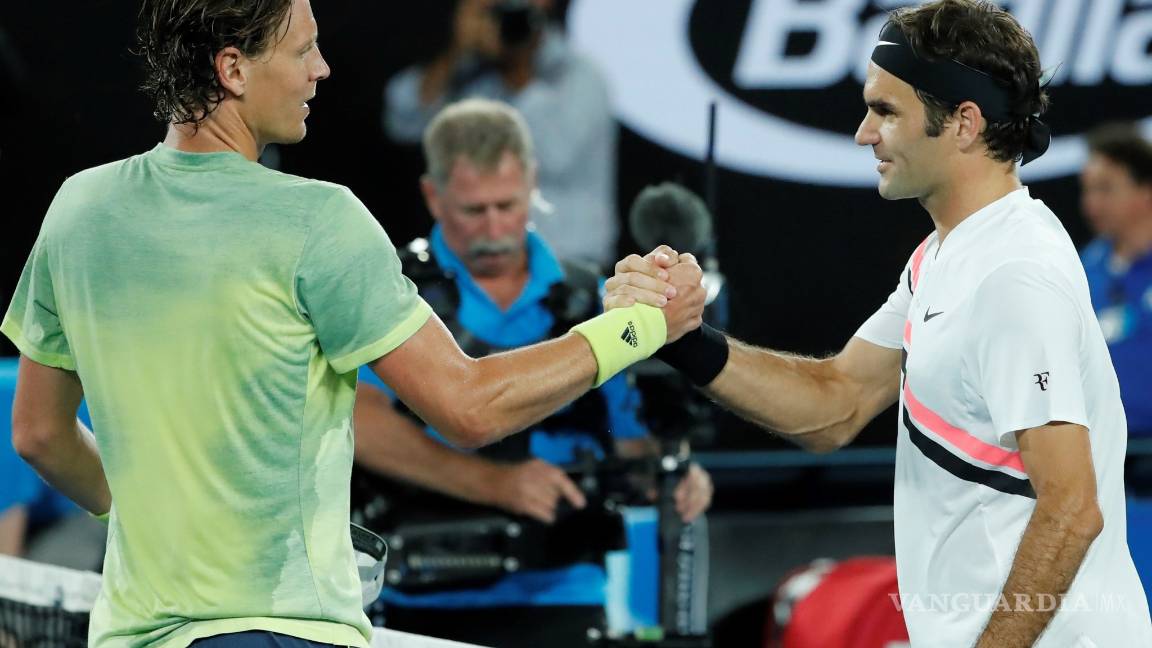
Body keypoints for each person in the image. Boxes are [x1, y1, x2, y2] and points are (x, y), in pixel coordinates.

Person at [0, 1, 704, 647]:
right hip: (277, 634)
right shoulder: (317, 219)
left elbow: (38, 434)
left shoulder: (79, 210)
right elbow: (468, 407)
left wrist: (150, 526)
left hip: (127, 632)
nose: (321, 69)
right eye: (303, 50)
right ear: (233, 68)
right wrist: (636, 328)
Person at [607, 1, 1152, 646]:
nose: (865, 133)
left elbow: (1070, 509)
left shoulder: (1013, 276)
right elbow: (835, 401)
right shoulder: (947, 255)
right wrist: (685, 340)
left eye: (886, 111)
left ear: (964, 123)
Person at [350, 98, 713, 648]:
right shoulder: (392, 290)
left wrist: (674, 478)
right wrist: (494, 483)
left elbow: (631, 443)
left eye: (508, 205)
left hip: (564, 593)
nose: (494, 229)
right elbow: (360, 424)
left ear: (532, 183)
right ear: (433, 195)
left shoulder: (596, 300)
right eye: (474, 211)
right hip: (419, 595)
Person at [383, 0, 617, 267]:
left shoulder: (580, 75)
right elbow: (404, 122)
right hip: (475, 262)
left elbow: (555, 155)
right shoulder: (475, 77)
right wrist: (457, 52)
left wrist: (519, 71)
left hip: (566, 265)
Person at [1079, 123, 1152, 439]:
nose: (1092, 204)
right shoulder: (1079, 271)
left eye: (1106, 188)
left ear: (1145, 191)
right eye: (1088, 190)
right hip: (1106, 463)